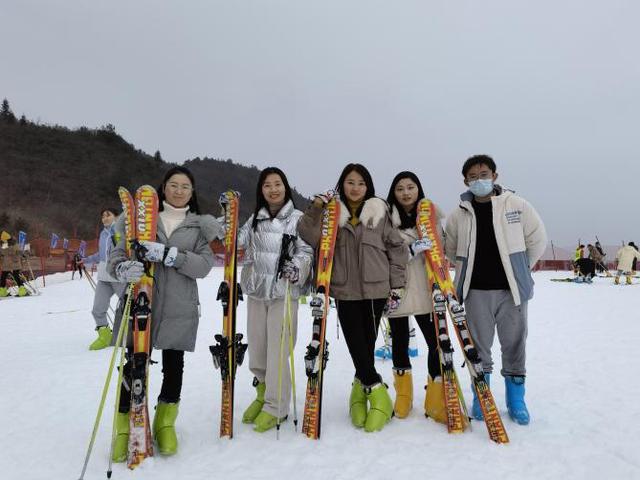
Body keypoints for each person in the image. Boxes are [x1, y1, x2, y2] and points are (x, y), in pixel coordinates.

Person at [108, 166, 223, 460]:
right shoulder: (139, 220)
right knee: (133, 364)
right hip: (142, 302)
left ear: (192, 192)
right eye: (174, 184)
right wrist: (123, 268)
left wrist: (169, 255)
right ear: (164, 187)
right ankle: (125, 425)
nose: (179, 190)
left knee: (174, 365)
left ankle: (164, 422)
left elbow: (204, 265)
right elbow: (116, 256)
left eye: (186, 186)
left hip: (178, 304)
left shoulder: (198, 226)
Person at [298, 163, 406, 433]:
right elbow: (308, 235)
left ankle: (360, 393)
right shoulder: (331, 215)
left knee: (365, 347)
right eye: (350, 182)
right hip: (344, 290)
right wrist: (315, 208)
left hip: (376, 290)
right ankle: (377, 393)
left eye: (360, 183)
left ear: (367, 186)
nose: (355, 187)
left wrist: (397, 285)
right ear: (341, 185)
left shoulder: (380, 212)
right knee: (357, 345)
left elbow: (397, 248)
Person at [444, 155, 547, 425]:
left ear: (495, 176)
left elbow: (537, 239)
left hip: (510, 291)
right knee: (478, 347)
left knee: (514, 343)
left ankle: (516, 400)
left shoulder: (516, 205)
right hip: (476, 291)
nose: (480, 180)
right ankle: (481, 396)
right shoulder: (459, 214)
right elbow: (451, 250)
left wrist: (521, 269)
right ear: (466, 180)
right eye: (474, 177)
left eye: (485, 174)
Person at [237, 167, 314, 432]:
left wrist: (298, 267)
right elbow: (236, 240)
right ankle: (262, 393)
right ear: (261, 190)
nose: (273, 189)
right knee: (258, 349)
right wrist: (228, 216)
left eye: (277, 183)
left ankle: (276, 406)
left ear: (285, 186)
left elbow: (306, 251)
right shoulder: (255, 219)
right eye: (267, 185)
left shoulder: (298, 218)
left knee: (278, 350)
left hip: (283, 292)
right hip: (257, 290)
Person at [385, 171, 446, 422]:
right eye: (400, 188)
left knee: (435, 342)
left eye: (411, 187)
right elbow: (383, 253)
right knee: (399, 341)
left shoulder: (431, 216)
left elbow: (443, 247)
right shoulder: (385, 219)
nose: (406, 193)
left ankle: (435, 395)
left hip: (426, 286)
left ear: (419, 189)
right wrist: (409, 250)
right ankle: (403, 396)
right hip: (397, 286)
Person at [82, 208, 124, 350]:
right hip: (104, 277)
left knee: (128, 308)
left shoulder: (121, 231)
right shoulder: (103, 233)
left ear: (116, 216)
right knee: (98, 309)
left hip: (119, 276)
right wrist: (86, 260)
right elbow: (101, 254)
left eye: (108, 215)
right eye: (103, 216)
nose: (105, 218)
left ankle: (135, 334)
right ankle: (105, 336)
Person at [0, 232, 28, 297]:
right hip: (6, 263)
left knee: (16, 276)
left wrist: (23, 255)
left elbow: (19, 251)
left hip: (14, 263)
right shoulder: (4, 244)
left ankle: (22, 290)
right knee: (3, 277)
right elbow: (2, 252)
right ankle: (2, 291)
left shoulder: (14, 244)